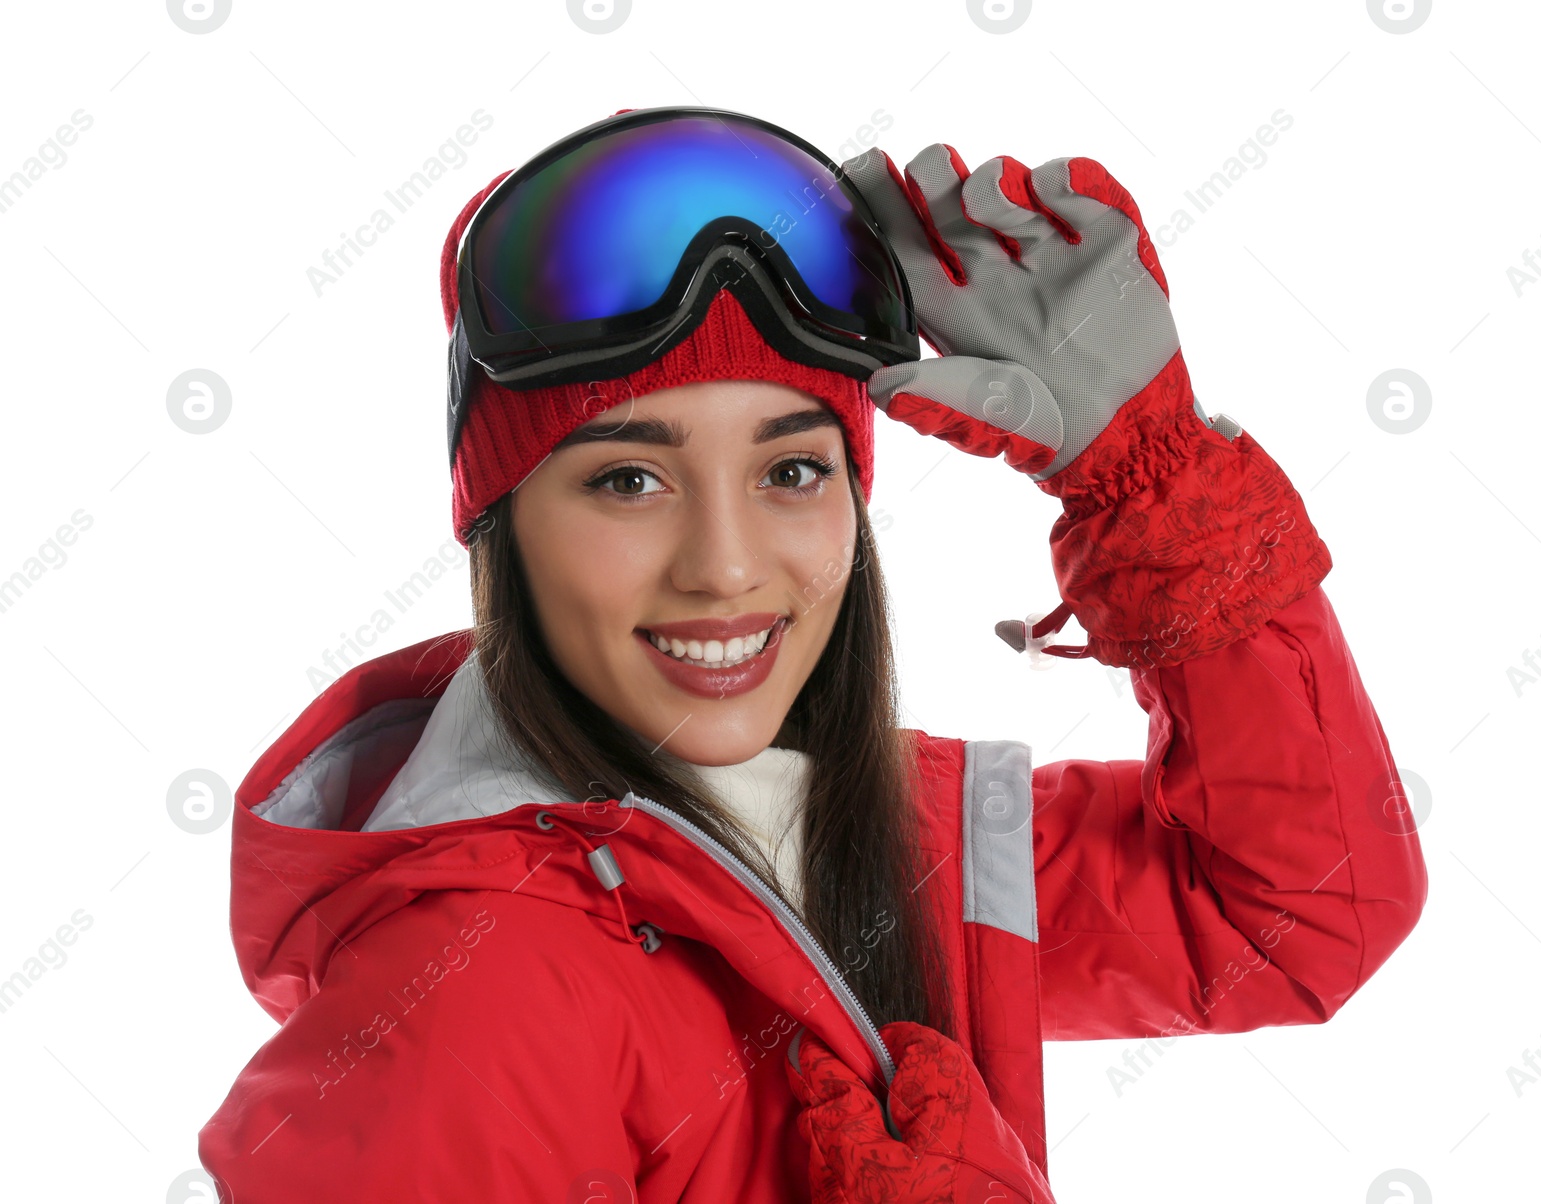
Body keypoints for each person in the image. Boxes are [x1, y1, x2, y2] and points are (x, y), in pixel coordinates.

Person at [197, 106, 1428, 1203]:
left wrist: (1143, 478)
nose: (726, 566)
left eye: (791, 470)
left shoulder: (853, 832)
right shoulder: (463, 1007)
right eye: (628, 479)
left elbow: (1292, 915)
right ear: (501, 525)